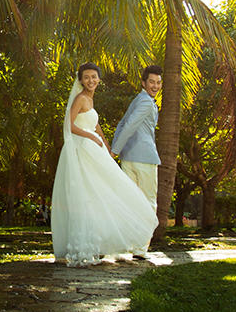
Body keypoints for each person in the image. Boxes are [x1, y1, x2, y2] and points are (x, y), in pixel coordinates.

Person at [50, 62, 157, 265]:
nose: (91, 80)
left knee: (101, 193)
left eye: (94, 77)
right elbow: (69, 125)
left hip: (94, 149)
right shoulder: (80, 99)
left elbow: (95, 124)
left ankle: (99, 242)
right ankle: (83, 245)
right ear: (81, 80)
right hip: (82, 150)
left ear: (99, 79)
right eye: (87, 77)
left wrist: (106, 143)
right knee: (88, 194)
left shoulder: (90, 99)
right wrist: (90, 137)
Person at [111, 64, 163, 219]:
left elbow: (121, 124)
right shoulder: (146, 102)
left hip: (128, 158)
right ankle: (143, 244)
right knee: (149, 203)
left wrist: (117, 149)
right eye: (152, 82)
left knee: (129, 203)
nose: (155, 86)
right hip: (145, 160)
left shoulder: (137, 99)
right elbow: (129, 126)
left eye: (158, 82)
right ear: (143, 83)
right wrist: (114, 152)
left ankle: (131, 243)